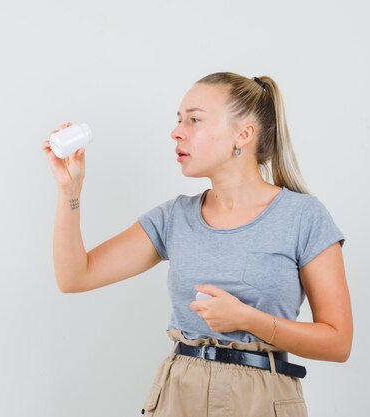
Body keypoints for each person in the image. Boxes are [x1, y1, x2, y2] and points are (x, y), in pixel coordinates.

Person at [42, 71, 352, 417]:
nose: (177, 131)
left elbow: (338, 342)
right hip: (179, 394)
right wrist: (70, 190)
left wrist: (248, 319)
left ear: (243, 133)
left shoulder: (303, 216)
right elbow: (74, 277)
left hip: (263, 399)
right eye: (178, 120)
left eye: (194, 120)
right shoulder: (174, 218)